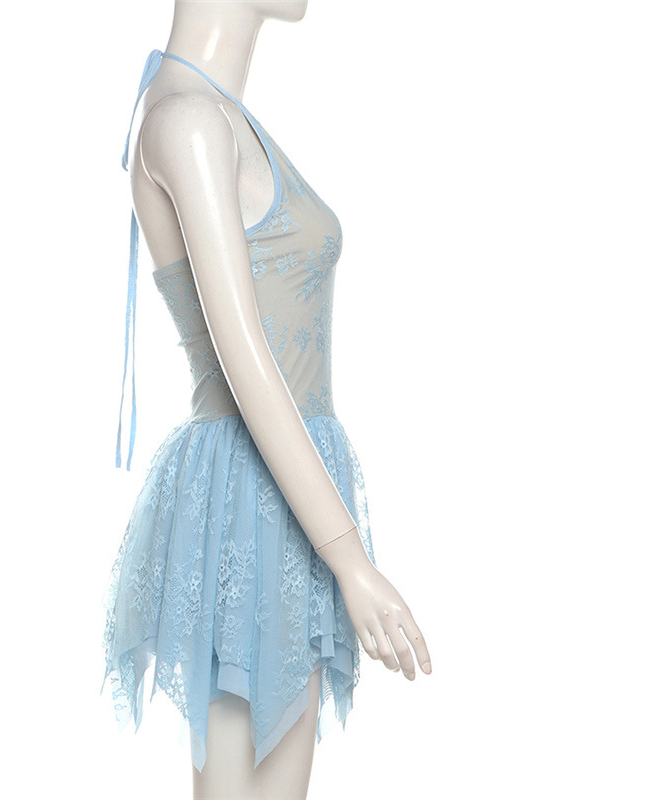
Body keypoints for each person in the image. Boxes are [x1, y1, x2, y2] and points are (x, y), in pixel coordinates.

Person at [101, 2, 432, 798]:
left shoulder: (216, 116)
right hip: (249, 494)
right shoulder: (187, 123)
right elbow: (243, 355)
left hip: (287, 490)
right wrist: (350, 559)